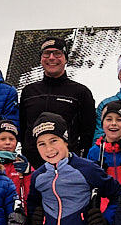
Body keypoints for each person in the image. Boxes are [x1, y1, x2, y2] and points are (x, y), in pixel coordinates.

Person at [17, 35, 97, 165]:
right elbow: (23, 127)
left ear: (65, 59)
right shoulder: (28, 91)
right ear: (41, 58)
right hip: (33, 167)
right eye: (47, 53)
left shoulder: (80, 92)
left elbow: (88, 133)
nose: (51, 58)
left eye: (57, 53)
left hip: (67, 166)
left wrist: (79, 159)